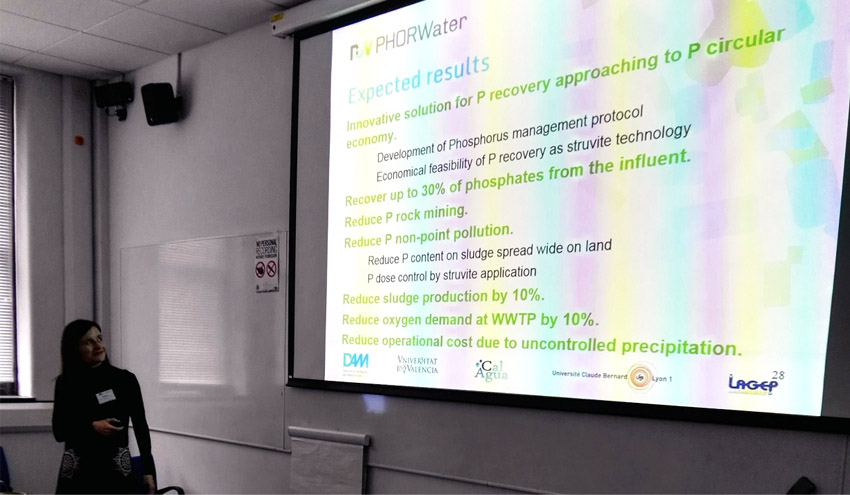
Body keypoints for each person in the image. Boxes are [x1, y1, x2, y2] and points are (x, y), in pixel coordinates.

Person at [52, 319, 156, 494]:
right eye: (88, 342)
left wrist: (148, 471)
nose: (98, 346)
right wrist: (91, 426)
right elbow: (59, 431)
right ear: (75, 348)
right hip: (79, 473)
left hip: (116, 472)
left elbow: (141, 427)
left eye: (99, 339)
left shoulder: (125, 380)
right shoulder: (66, 383)